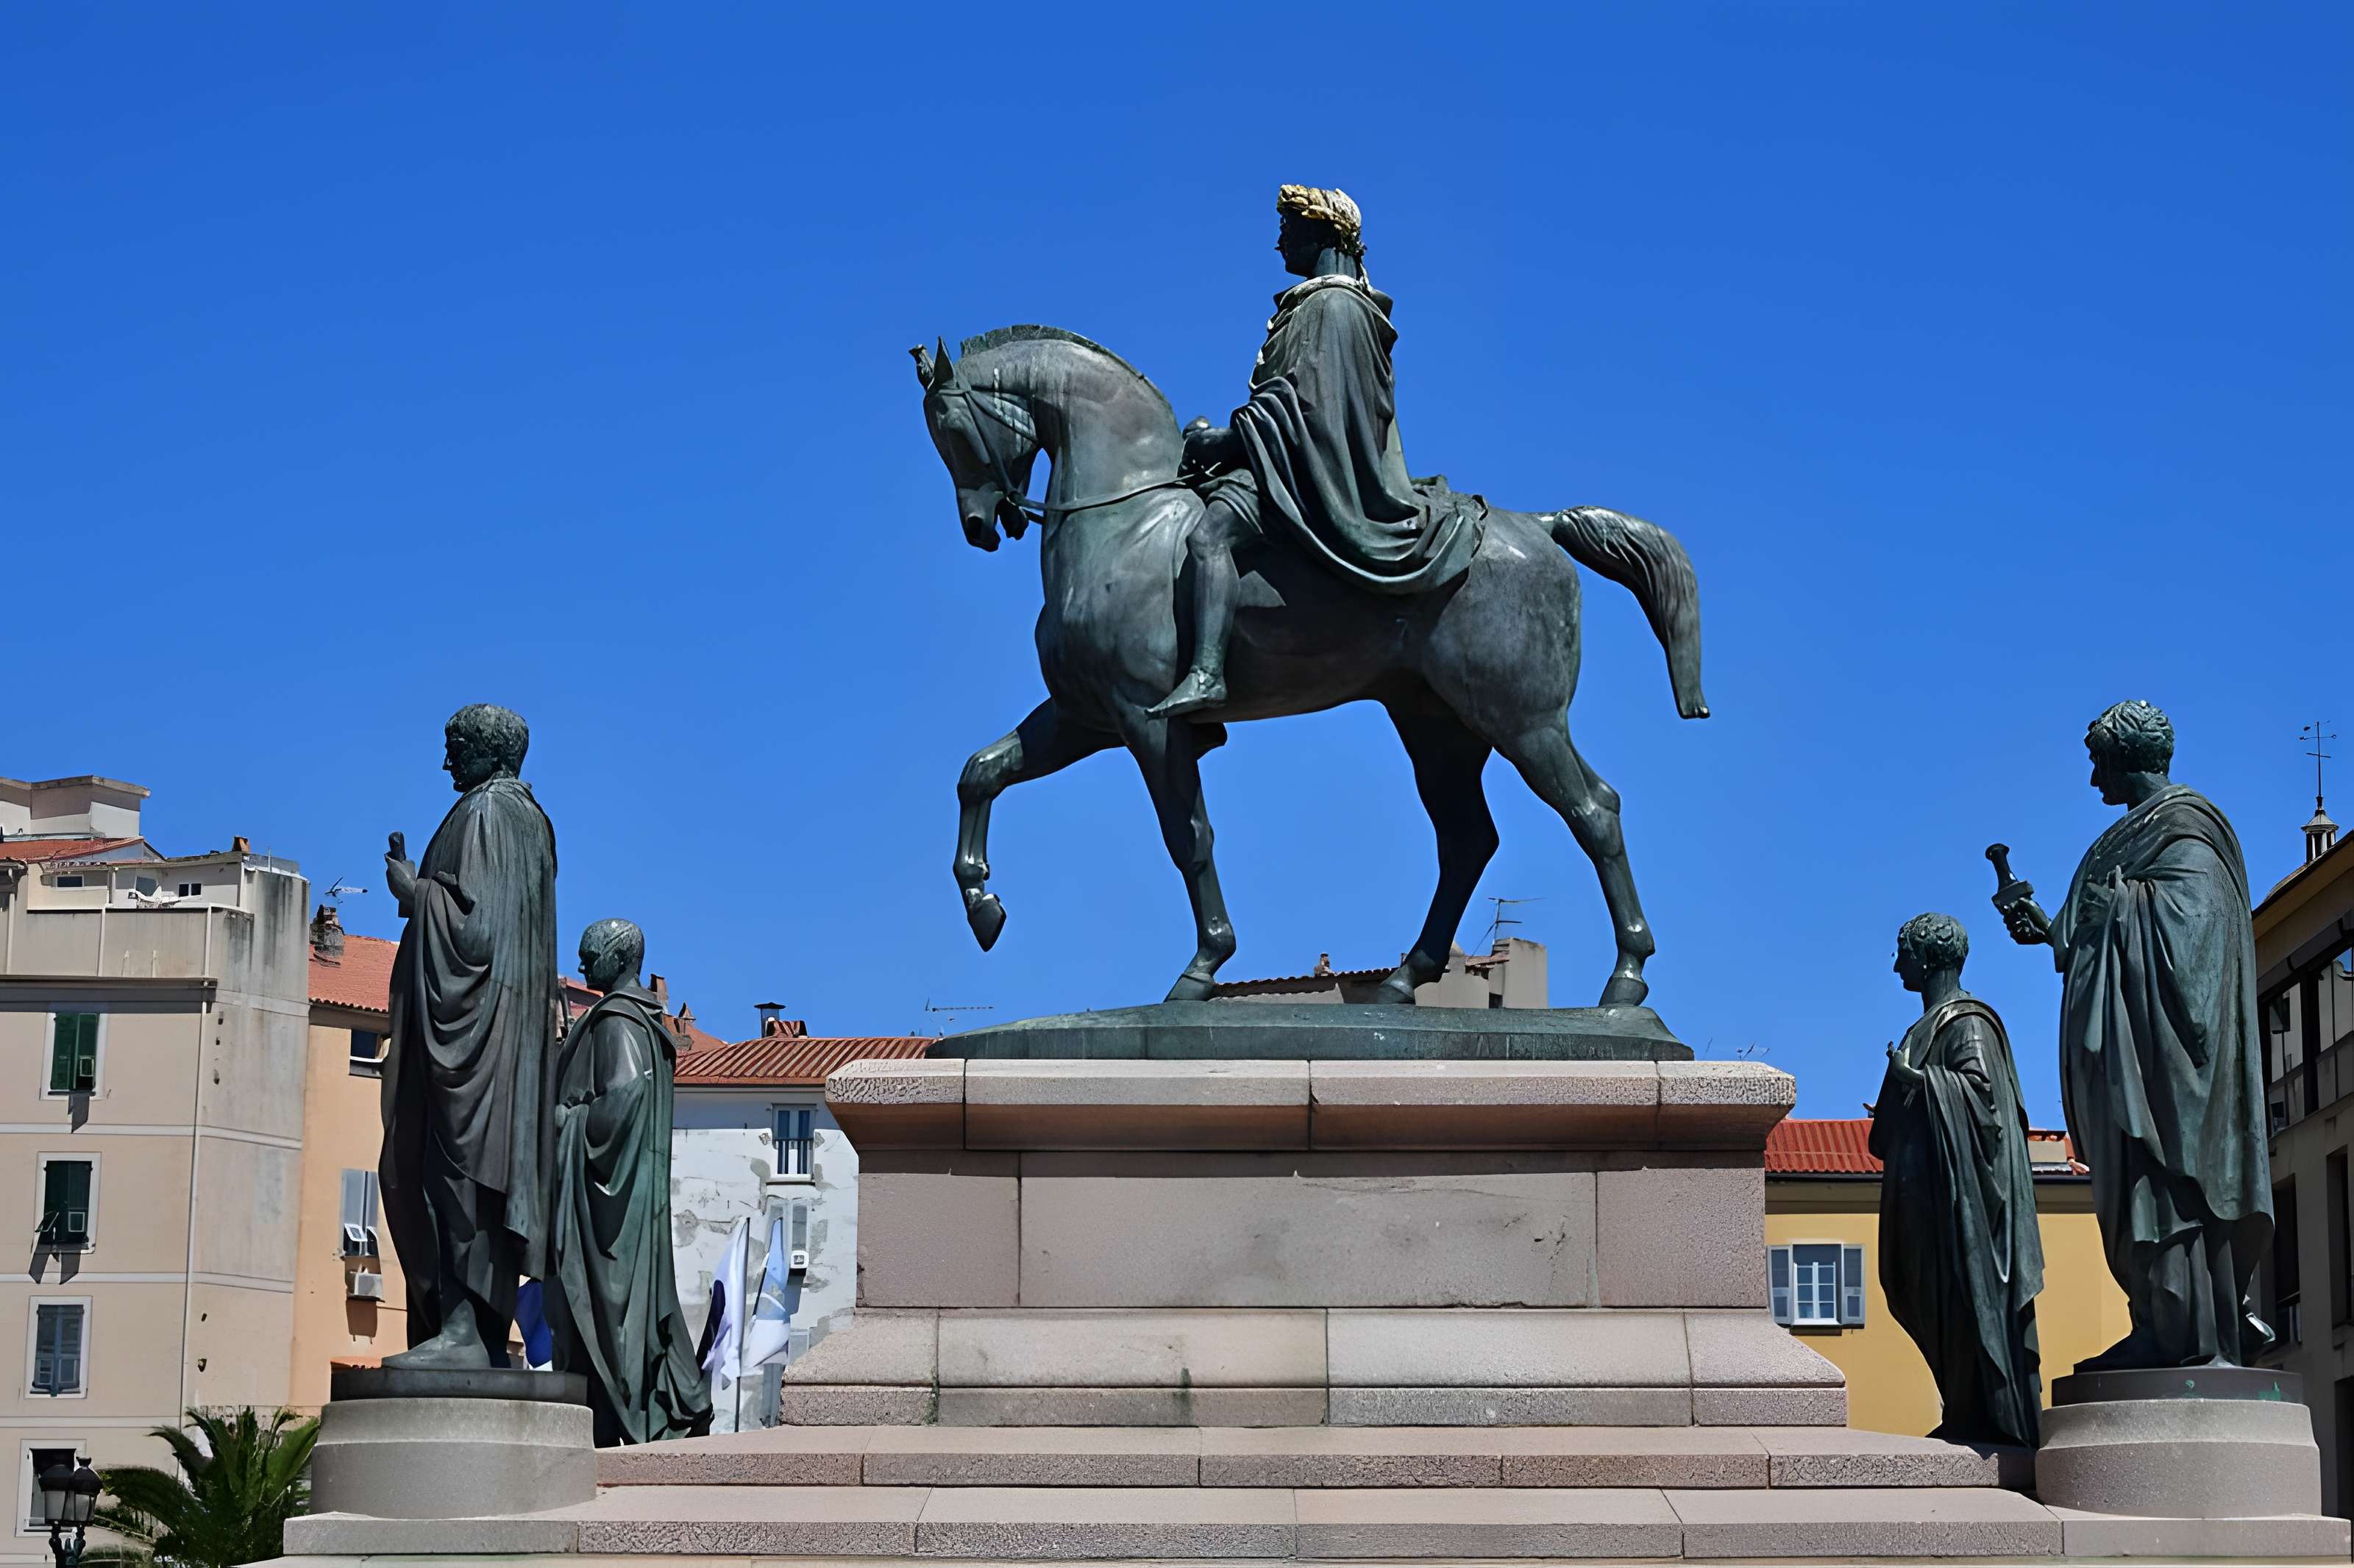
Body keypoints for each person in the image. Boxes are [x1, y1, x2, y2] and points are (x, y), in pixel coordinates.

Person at [2000, 699, 2272, 1368]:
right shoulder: (2125, 837)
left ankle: (2191, 1335)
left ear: (2127, 759)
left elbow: (2197, 931)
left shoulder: (2187, 828)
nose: (2095, 782)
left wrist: (2117, 910)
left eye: (2099, 764)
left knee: (2169, 1183)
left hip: (2172, 1066)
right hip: (2127, 1055)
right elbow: (2080, 929)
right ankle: (2155, 1322)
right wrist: (2050, 925)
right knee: (2132, 1188)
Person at [1151, 184, 1480, 718]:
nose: (1280, 244)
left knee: (1209, 535)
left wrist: (1230, 438)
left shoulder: (1331, 306)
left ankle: (1208, 672)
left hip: (1312, 471)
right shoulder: (1327, 304)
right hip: (1293, 457)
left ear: (1323, 234)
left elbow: (1309, 408)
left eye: (1289, 230)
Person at [380, 704, 560, 1369]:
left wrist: (415, 892)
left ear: (490, 752)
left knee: (449, 1176)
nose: (445, 761)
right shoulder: (532, 822)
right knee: (466, 1182)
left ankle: (464, 1332)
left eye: (454, 746)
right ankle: (473, 1334)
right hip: (503, 1036)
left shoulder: (486, 814)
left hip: (474, 1041)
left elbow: (474, 934)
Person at [1872, 913, 2043, 1445]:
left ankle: (1981, 1412)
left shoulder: (1967, 1023)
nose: (1896, 963)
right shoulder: (1921, 1027)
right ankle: (1962, 1406)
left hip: (1961, 1206)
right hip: (1925, 1200)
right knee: (1921, 1298)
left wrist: (1915, 1080)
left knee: (1960, 1305)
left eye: (1903, 952)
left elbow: (1984, 1102)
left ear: (1925, 959)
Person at [547, 919, 712, 1444]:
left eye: (588, 955)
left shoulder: (617, 1021)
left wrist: (565, 1121)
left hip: (610, 1206)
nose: (581, 966)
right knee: (623, 1315)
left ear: (618, 961)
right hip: (633, 1194)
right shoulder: (646, 1022)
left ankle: (639, 1411)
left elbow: (622, 1098)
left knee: (608, 1316)